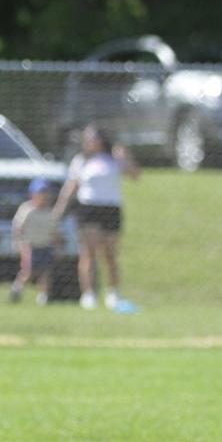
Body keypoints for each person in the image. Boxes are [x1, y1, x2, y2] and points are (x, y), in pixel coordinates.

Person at [53, 123, 140, 310]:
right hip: (88, 209)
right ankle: (88, 294)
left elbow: (134, 175)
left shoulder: (113, 158)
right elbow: (71, 187)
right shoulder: (81, 161)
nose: (88, 142)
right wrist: (59, 210)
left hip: (111, 209)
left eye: (91, 138)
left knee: (110, 255)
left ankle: (113, 293)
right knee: (88, 252)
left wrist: (125, 157)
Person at [9, 178, 60, 306]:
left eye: (46, 193)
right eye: (41, 193)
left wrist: (57, 245)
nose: (44, 196)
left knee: (46, 272)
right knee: (28, 271)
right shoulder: (27, 210)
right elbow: (18, 227)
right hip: (30, 246)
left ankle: (43, 296)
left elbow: (53, 231)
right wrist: (17, 241)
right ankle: (17, 288)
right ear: (33, 194)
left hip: (45, 245)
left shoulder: (50, 213)